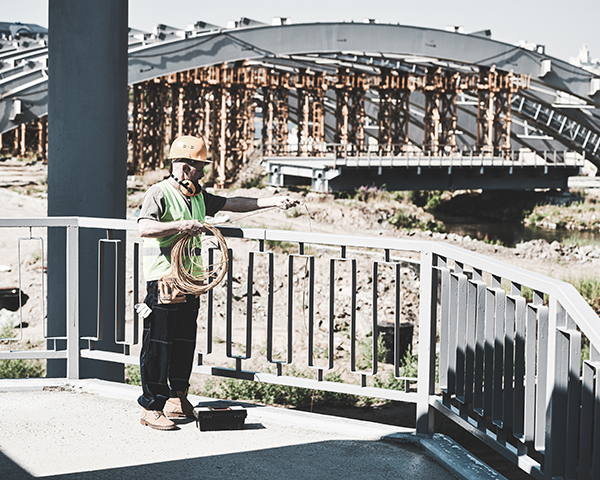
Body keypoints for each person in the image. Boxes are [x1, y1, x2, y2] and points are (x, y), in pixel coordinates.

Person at [136, 135, 298, 430]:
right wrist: (182, 226)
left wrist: (273, 201)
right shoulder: (158, 193)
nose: (202, 173)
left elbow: (233, 203)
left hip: (191, 281)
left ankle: (176, 398)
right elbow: (145, 227)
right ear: (184, 167)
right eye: (200, 168)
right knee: (159, 344)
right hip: (164, 281)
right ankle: (151, 407)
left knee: (184, 342)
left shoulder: (197, 195)